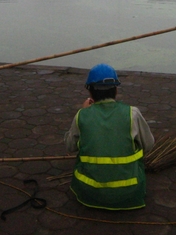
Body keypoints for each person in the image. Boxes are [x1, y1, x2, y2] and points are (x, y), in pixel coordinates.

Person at [64, 63, 155, 210]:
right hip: (129, 192)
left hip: (89, 193)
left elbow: (70, 146)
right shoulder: (133, 114)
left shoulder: (81, 115)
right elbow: (149, 145)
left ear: (90, 92)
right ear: (116, 90)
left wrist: (85, 112)